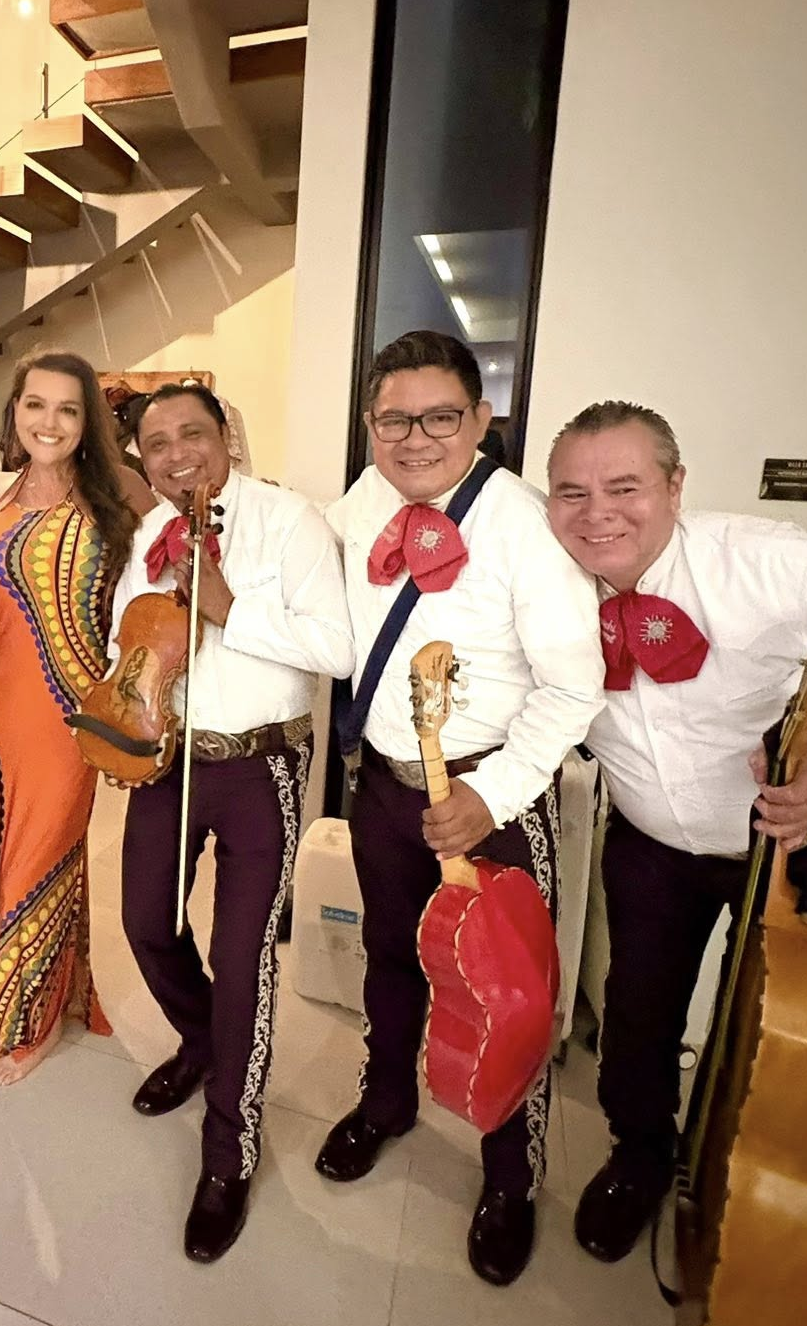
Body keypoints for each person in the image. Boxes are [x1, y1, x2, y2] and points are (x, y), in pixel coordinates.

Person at [544, 400, 807, 1264]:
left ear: (675, 486)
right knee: (637, 1019)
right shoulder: (547, 582)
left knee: (765, 1031)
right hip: (649, 841)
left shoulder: (772, 564)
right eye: (570, 491)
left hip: (784, 842)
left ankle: (738, 1174)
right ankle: (638, 1157)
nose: (596, 512)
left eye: (624, 486)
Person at [318, 330, 604, 1286]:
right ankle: (386, 1097)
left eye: (439, 416)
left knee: (504, 991)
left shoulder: (521, 524)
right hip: (385, 790)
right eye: (392, 419)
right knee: (391, 957)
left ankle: (509, 1175)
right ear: (369, 425)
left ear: (481, 420)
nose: (414, 438)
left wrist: (491, 794)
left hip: (493, 798)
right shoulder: (358, 506)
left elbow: (576, 686)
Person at [111, 382, 355, 1263]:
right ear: (140, 455)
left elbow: (338, 648)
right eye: (155, 441)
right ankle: (202, 1039)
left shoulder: (289, 521)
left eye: (192, 434)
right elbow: (123, 645)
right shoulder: (147, 535)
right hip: (169, 763)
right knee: (145, 923)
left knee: (244, 954)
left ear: (226, 439)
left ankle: (228, 1153)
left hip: (262, 766)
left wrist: (223, 605)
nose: (176, 453)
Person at [0, 350, 154, 1087]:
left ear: (89, 424)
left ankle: (26, 1024)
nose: (49, 422)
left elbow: (172, 585)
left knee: (38, 857)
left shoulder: (120, 492)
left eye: (67, 409)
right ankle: (55, 990)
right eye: (34, 404)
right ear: (14, 408)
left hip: (72, 711)